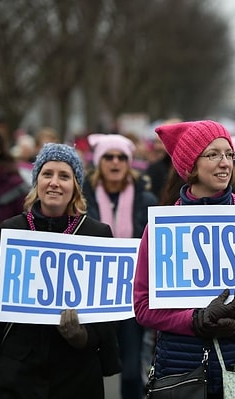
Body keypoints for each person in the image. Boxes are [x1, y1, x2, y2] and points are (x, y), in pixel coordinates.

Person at [133, 120, 235, 398]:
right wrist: (195, 320)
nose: (226, 163)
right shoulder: (161, 227)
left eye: (229, 154)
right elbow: (144, 306)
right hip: (179, 370)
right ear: (190, 166)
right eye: (213, 154)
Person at [0, 143, 120, 398]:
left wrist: (83, 336)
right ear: (36, 180)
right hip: (18, 372)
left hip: (76, 375)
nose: (54, 183)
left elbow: (108, 316)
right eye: (47, 174)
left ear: (76, 186)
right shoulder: (12, 230)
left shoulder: (97, 234)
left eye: (64, 176)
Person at [83, 133, 158, 399]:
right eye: (108, 157)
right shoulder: (82, 198)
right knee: (87, 366)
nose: (115, 162)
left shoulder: (146, 199)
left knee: (130, 368)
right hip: (92, 292)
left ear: (129, 162)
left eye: (121, 157)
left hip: (130, 293)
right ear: (98, 161)